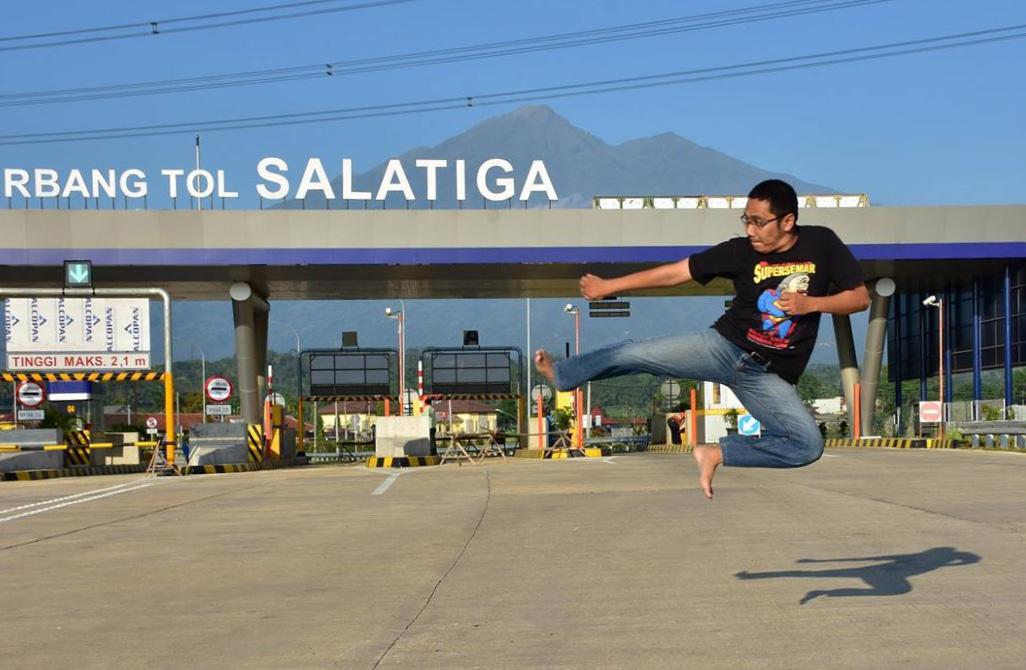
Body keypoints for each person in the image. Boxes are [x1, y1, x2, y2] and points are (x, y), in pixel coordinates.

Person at [534, 179, 869, 499]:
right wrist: (610, 286)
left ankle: (716, 453)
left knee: (808, 445)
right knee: (636, 352)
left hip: (767, 377)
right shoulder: (739, 251)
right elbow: (676, 273)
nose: (750, 230)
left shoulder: (822, 244)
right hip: (722, 348)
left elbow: (859, 298)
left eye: (758, 222)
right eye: (745, 220)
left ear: (788, 221)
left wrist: (811, 304)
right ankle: (565, 374)